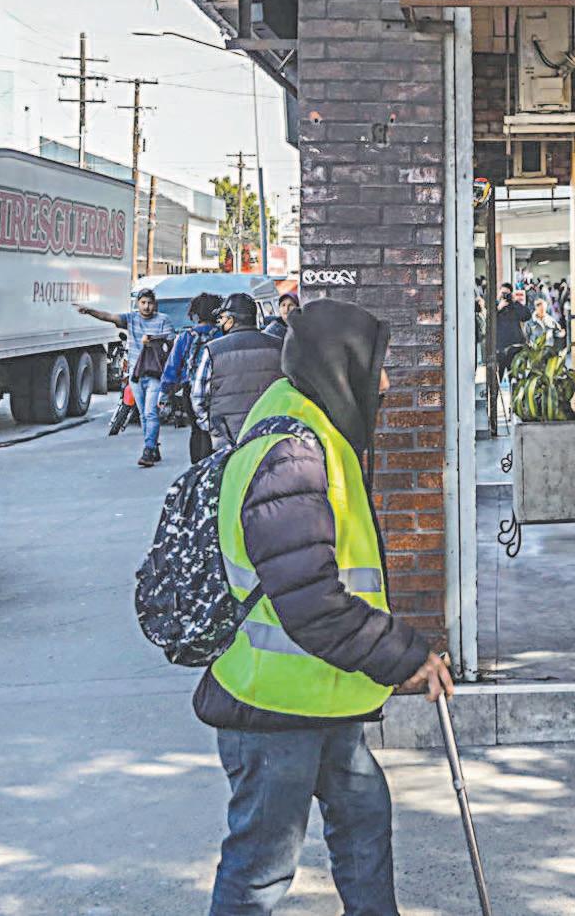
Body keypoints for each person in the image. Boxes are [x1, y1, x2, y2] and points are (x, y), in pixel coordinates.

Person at [197, 298, 452, 915]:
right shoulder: (291, 454)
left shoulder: (314, 430)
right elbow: (311, 602)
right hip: (274, 705)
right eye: (376, 366)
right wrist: (405, 657)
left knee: (364, 825)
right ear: (341, 365)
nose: (384, 383)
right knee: (261, 869)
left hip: (325, 693)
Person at [79, 289, 177, 467]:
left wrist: (152, 340)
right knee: (144, 414)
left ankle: (148, 450)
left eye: (150, 303)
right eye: (143, 303)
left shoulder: (163, 320)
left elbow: (170, 343)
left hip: (155, 374)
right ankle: (152, 446)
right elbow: (109, 317)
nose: (146, 307)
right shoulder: (131, 319)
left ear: (155, 304)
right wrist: (90, 311)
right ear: (138, 304)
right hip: (136, 375)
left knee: (151, 412)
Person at [192, 293, 285, 449]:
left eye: (222, 318)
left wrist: (212, 428)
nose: (221, 322)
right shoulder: (278, 345)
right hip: (270, 435)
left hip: (227, 440)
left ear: (231, 320)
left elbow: (198, 397)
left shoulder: (213, 349)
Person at [166, 294, 225, 463]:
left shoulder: (186, 337)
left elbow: (172, 366)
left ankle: (196, 467)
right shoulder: (221, 335)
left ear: (196, 313)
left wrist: (166, 391)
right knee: (212, 430)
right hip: (217, 388)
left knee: (196, 430)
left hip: (190, 390)